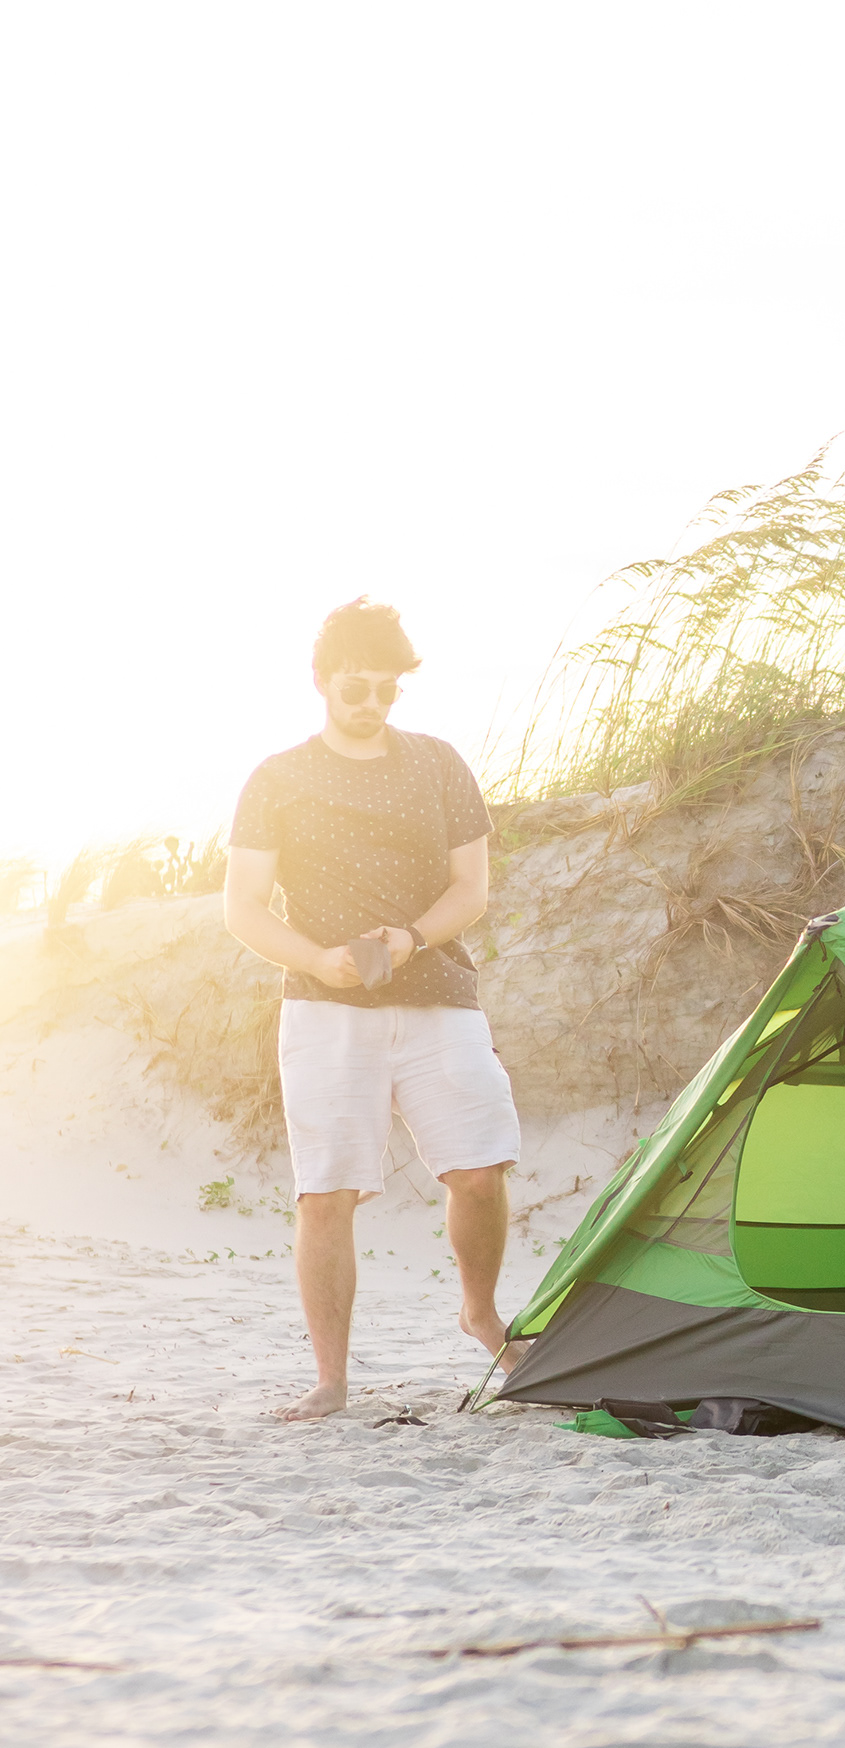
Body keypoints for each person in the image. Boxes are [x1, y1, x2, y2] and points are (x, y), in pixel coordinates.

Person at [224, 598, 523, 1420]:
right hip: (325, 1009)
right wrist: (318, 958)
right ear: (322, 681)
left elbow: (472, 888)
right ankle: (332, 1379)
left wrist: (412, 939)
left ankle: (481, 1312)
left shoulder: (438, 764)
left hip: (438, 997)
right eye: (359, 687)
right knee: (329, 1192)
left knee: (480, 1168)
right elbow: (244, 906)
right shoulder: (277, 777)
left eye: (389, 691)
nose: (374, 704)